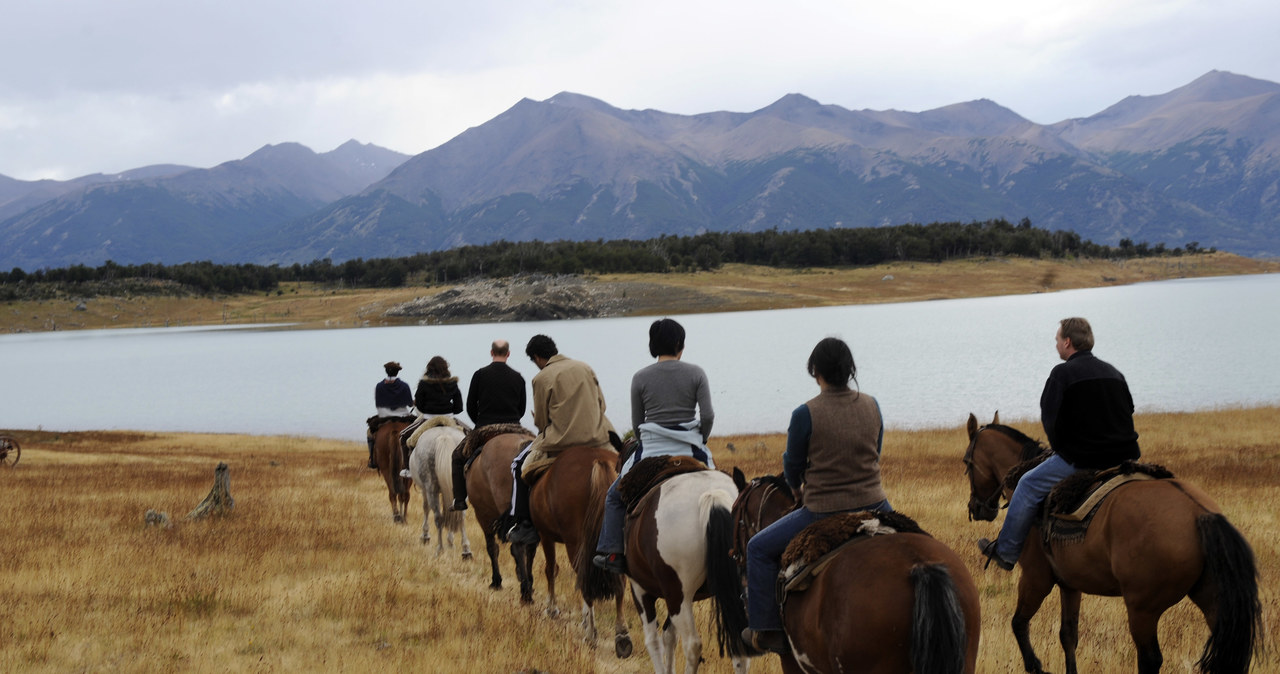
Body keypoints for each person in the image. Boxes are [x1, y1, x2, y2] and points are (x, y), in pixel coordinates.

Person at [741, 337, 893, 654]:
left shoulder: (805, 413)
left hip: (823, 510)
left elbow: (793, 465)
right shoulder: (872, 405)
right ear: (850, 370)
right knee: (924, 543)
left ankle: (767, 631)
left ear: (815, 372)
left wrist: (797, 489)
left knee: (757, 549)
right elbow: (874, 452)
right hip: (878, 505)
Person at [977, 317, 1140, 571]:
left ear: (1067, 342)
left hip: (1083, 460)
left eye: (1057, 340)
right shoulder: (1114, 372)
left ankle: (1006, 552)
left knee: (1027, 485)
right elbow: (1128, 410)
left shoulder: (1061, 373)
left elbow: (1050, 417)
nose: (1055, 345)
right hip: (1125, 458)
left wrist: (1061, 449)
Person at [592, 318, 714, 574]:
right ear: (680, 344)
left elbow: (638, 423)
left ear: (653, 346)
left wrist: (645, 438)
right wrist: (701, 438)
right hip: (691, 448)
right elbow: (708, 416)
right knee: (724, 489)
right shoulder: (697, 373)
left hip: (651, 452)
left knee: (614, 496)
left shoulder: (640, 377)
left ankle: (611, 551)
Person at [504, 334, 616, 545]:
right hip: (598, 437)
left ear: (537, 357)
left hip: (560, 442)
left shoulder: (541, 378)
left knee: (519, 465)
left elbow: (542, 422)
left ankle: (524, 523)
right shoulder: (585, 367)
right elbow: (602, 404)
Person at [449, 340, 527, 511]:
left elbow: (470, 405)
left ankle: (460, 500)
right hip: (514, 426)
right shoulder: (518, 377)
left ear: (491, 353)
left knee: (457, 457)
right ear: (508, 353)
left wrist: (479, 423)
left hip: (485, 426)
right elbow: (522, 408)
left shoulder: (480, 374)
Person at [398, 356, 465, 477]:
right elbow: (459, 407)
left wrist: (428, 410)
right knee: (471, 437)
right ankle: (467, 468)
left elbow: (420, 405)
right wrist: (449, 410)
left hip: (428, 418)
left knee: (403, 437)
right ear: (446, 368)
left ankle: (408, 469)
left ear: (429, 368)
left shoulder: (424, 383)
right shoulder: (453, 383)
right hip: (449, 418)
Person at [367, 361, 413, 469]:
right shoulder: (404, 386)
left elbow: (378, 402)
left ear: (386, 371)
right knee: (418, 432)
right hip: (402, 416)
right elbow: (410, 403)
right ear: (398, 372)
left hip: (384, 417)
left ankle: (373, 460)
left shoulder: (379, 386)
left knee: (370, 433)